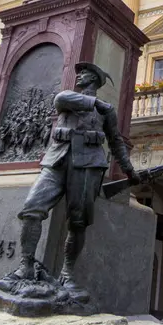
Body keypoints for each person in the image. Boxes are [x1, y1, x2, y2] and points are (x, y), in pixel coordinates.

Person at [12, 62, 140, 299]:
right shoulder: (69, 99)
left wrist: (130, 170)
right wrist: (96, 103)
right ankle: (26, 265)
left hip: (88, 164)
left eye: (84, 74)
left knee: (78, 222)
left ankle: (67, 274)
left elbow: (116, 142)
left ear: (94, 79)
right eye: (79, 73)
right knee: (31, 208)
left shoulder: (107, 111)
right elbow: (60, 98)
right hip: (57, 161)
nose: (79, 75)